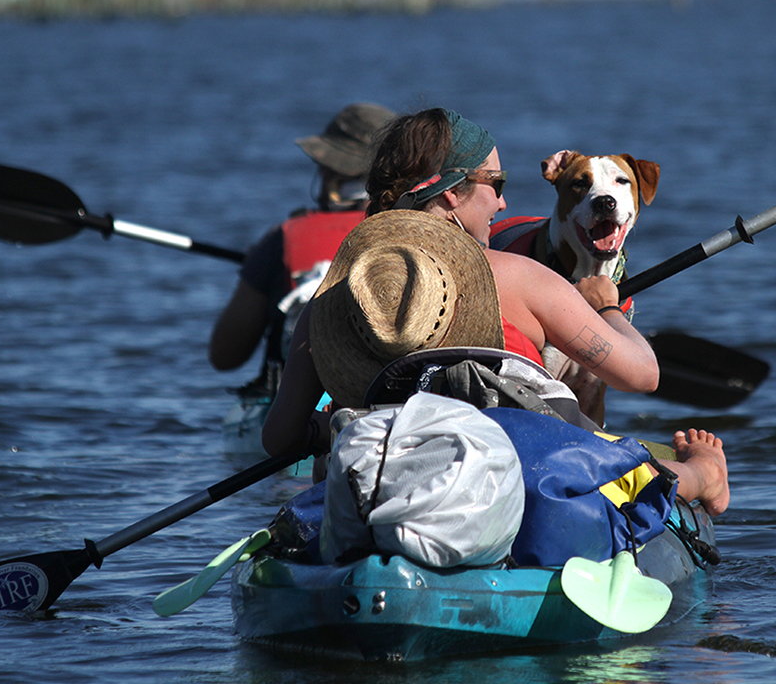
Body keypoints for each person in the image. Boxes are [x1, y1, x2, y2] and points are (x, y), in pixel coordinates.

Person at [261, 107, 728, 516]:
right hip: (524, 477)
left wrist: (329, 427)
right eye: (495, 184)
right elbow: (643, 374)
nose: (503, 202)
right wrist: (607, 307)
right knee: (622, 462)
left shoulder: (333, 297)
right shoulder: (517, 275)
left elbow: (278, 439)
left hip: (390, 486)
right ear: (450, 193)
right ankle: (702, 476)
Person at [208, 102, 397, 385]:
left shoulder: (281, 241)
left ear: (334, 177)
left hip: (301, 404)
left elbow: (224, 355)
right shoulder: (420, 235)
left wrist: (259, 272)